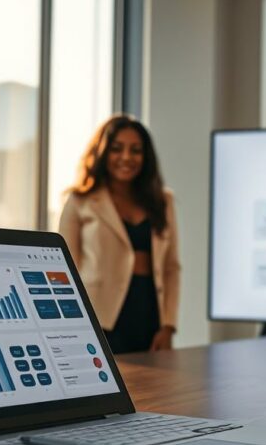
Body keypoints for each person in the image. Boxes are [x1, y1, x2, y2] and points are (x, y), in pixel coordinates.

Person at [59, 115, 180, 353]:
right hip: (98, 319)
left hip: (149, 315)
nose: (126, 157)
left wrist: (168, 326)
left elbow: (171, 268)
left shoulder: (163, 201)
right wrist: (71, 326)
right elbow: (66, 271)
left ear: (146, 157)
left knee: (152, 378)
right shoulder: (80, 200)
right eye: (116, 149)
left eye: (136, 150)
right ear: (103, 152)